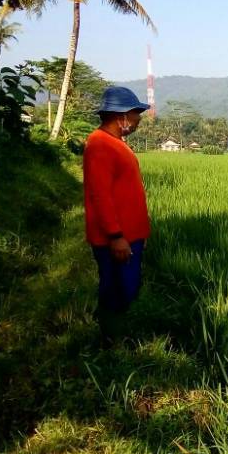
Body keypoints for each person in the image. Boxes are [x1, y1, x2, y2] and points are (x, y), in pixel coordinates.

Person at [83, 86, 151, 339]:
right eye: (135, 115)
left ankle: (121, 335)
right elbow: (100, 195)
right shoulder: (100, 145)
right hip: (117, 239)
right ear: (120, 116)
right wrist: (116, 236)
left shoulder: (114, 143)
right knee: (116, 290)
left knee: (127, 288)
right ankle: (112, 342)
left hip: (129, 235)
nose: (138, 121)